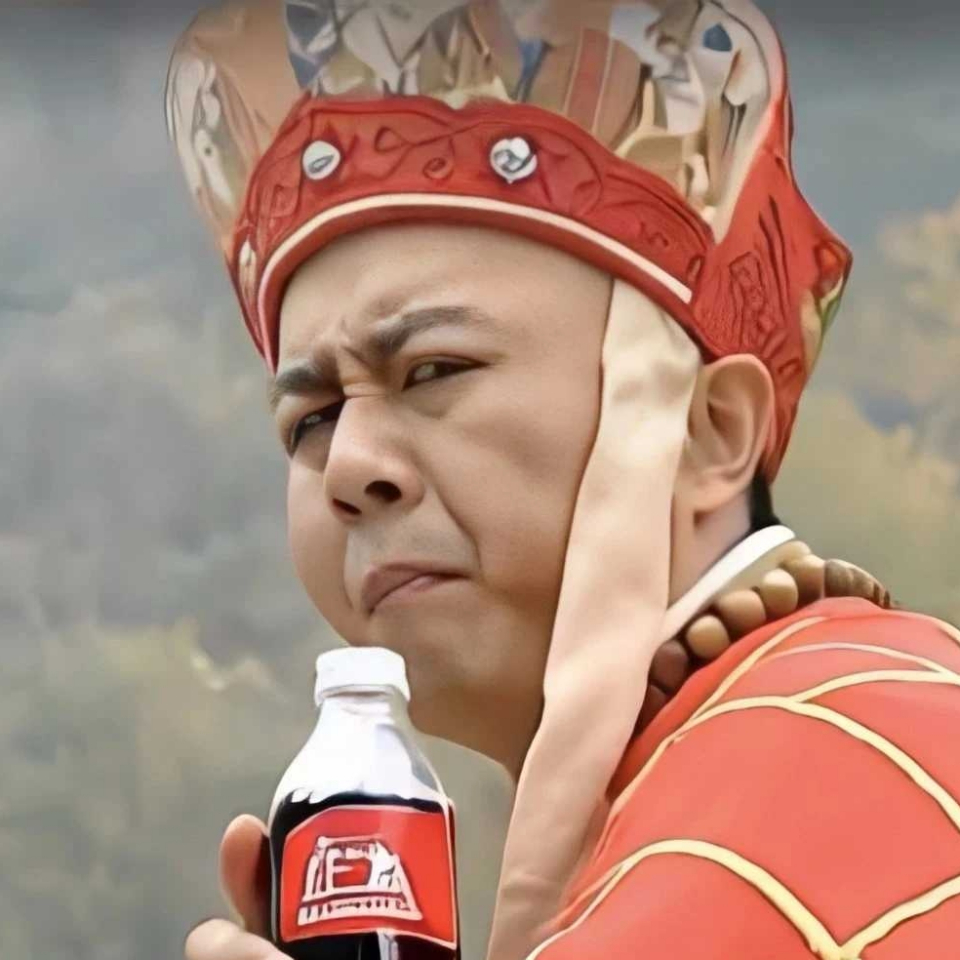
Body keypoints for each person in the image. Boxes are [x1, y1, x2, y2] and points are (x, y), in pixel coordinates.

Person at [165, 2, 960, 958]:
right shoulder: (657, 809)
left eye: (433, 370)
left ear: (707, 430)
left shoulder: (846, 753)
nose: (350, 468)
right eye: (311, 421)